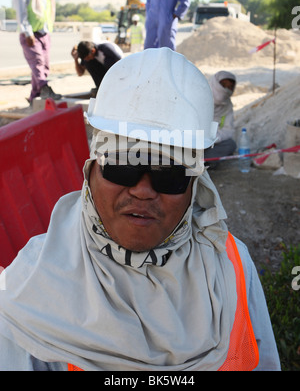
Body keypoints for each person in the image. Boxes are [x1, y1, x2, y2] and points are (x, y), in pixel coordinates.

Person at [0, 48, 280, 371]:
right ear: (91, 169)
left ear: (195, 186)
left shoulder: (232, 266)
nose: (143, 191)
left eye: (169, 174)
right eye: (122, 166)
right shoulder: (31, 290)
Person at [13, 0, 61, 104]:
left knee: (43, 66)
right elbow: (22, 14)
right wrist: (27, 32)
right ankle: (45, 89)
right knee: (37, 62)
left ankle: (34, 97)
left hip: (44, 34)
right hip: (31, 35)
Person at [204, 71, 237, 166]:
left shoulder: (227, 105)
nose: (226, 90)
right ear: (215, 84)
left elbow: (228, 130)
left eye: (230, 87)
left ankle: (203, 161)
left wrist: (214, 137)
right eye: (223, 85)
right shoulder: (202, 96)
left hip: (213, 142)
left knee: (230, 145)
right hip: (193, 140)